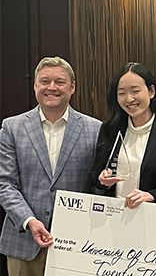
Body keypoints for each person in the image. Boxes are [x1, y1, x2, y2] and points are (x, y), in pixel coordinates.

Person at [0, 57, 101, 276]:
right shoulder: (12, 128)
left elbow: (97, 186)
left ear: (72, 87)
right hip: (23, 242)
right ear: (35, 85)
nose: (51, 87)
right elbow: (5, 184)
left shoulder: (95, 129)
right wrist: (29, 221)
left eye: (60, 82)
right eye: (44, 81)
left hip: (77, 244)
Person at [90, 62, 156, 208]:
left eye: (135, 91)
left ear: (151, 91)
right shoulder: (110, 129)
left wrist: (152, 195)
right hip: (113, 216)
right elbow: (95, 176)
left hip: (152, 217)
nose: (129, 99)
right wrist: (103, 180)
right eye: (121, 93)